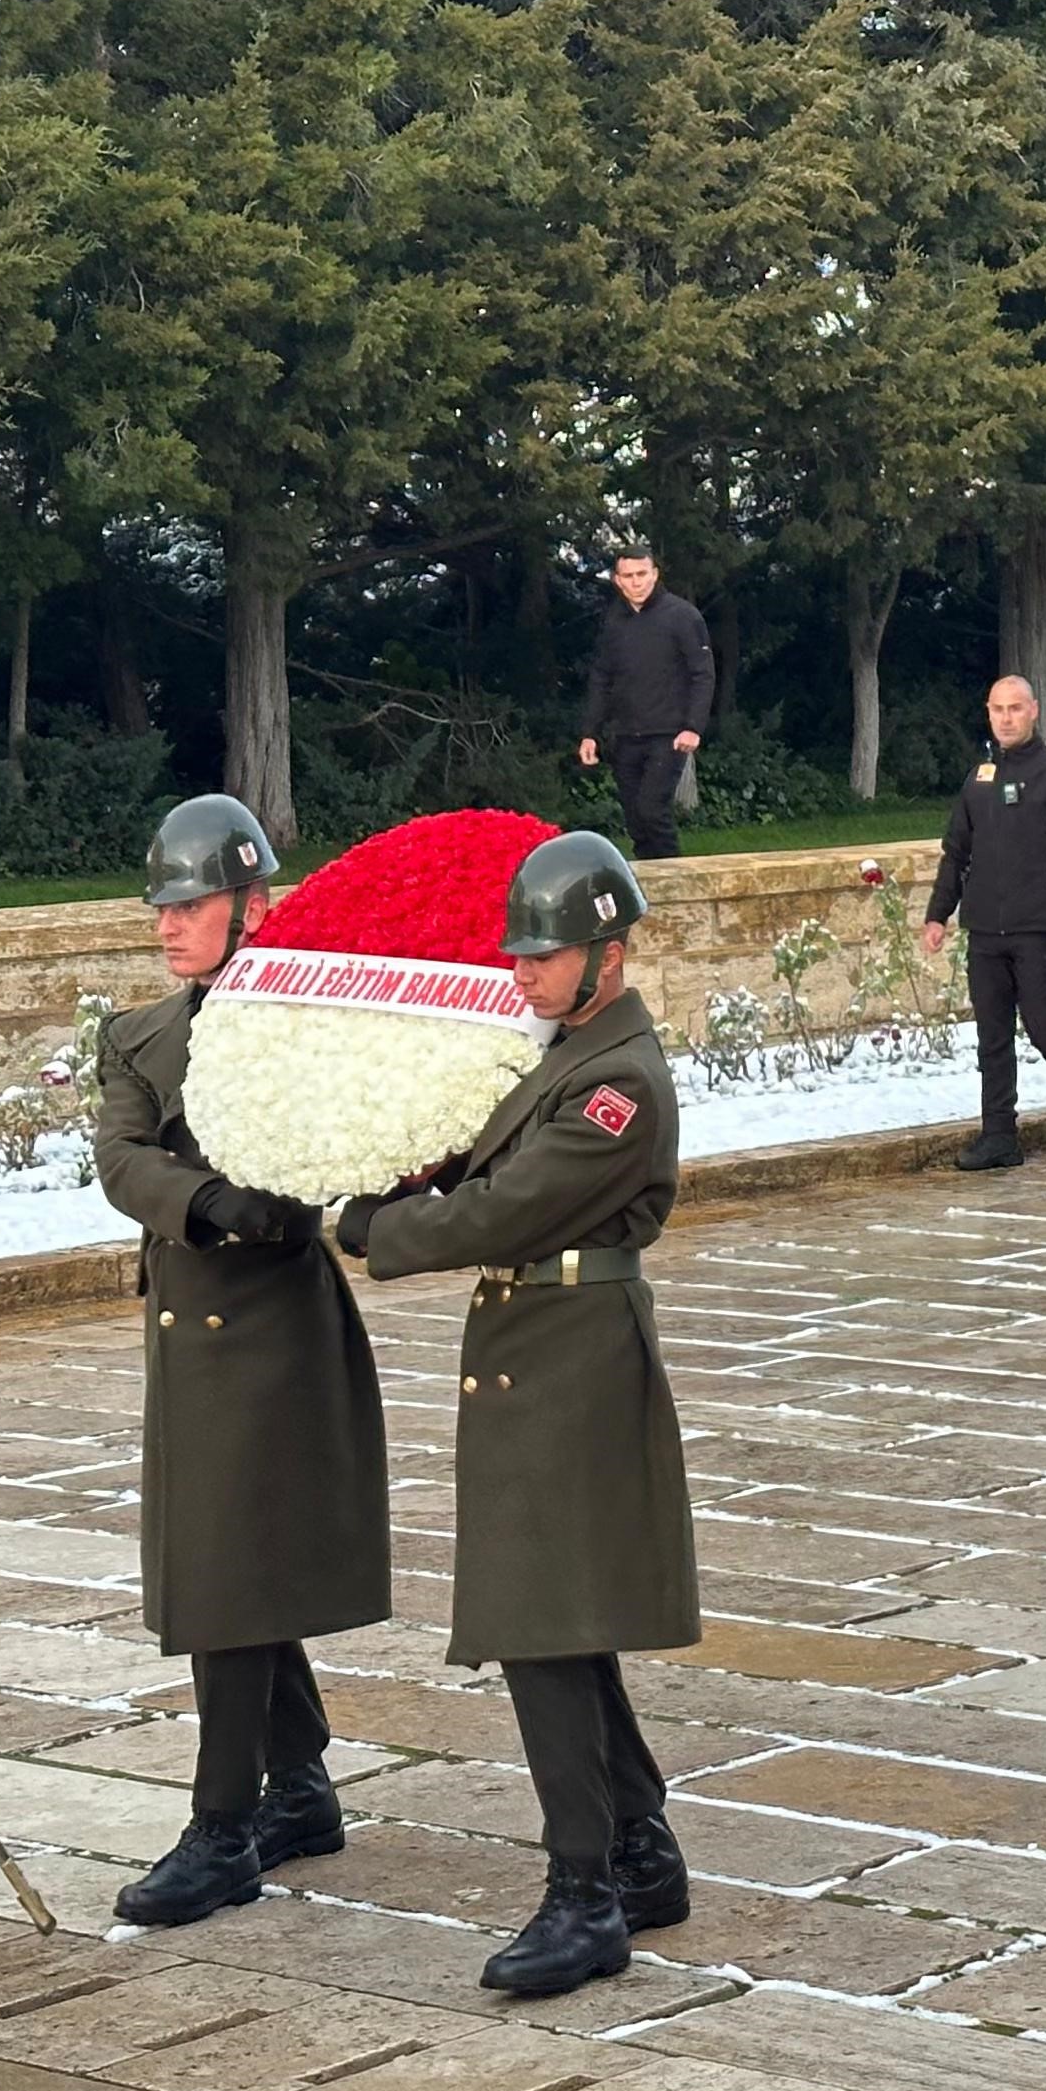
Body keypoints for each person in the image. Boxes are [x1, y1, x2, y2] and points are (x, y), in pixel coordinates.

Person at [338, 833, 698, 1996]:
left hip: (572, 1366)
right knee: (563, 1624)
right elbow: (480, 1165)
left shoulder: (617, 1082)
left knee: (544, 1631)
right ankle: (640, 1853)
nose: (524, 974)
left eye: (545, 956)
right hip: (537, 1355)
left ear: (608, 953)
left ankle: (582, 1894)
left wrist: (372, 1232)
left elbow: (510, 1206)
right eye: (521, 954)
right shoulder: (563, 1055)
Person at [92, 794, 393, 1928]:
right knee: (235, 1561)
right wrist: (210, 1200)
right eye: (160, 905)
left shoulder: (315, 1027)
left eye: (192, 904)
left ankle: (224, 1828)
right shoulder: (140, 1037)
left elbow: (346, 1153)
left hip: (271, 1334)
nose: (169, 924)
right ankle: (301, 1787)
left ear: (254, 905)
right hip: (192, 1315)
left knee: (226, 1573)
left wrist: (285, 1189)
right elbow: (121, 1159)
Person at [925, 675, 1046, 1170]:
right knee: (992, 1035)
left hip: (1036, 928)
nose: (1006, 718)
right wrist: (937, 914)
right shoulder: (979, 777)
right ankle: (999, 1136)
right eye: (997, 709)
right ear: (988, 713)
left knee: (1043, 1024)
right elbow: (956, 853)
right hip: (985, 928)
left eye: (1015, 708)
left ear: (1034, 711)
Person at [572, 542, 715, 862]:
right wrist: (590, 732)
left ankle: (674, 882)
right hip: (625, 735)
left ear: (655, 575)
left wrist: (693, 727)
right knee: (636, 820)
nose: (636, 582)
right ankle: (649, 890)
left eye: (642, 574)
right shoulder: (614, 622)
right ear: (617, 580)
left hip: (669, 734)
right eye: (629, 576)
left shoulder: (682, 616)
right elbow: (601, 679)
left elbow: (702, 674)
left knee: (652, 810)